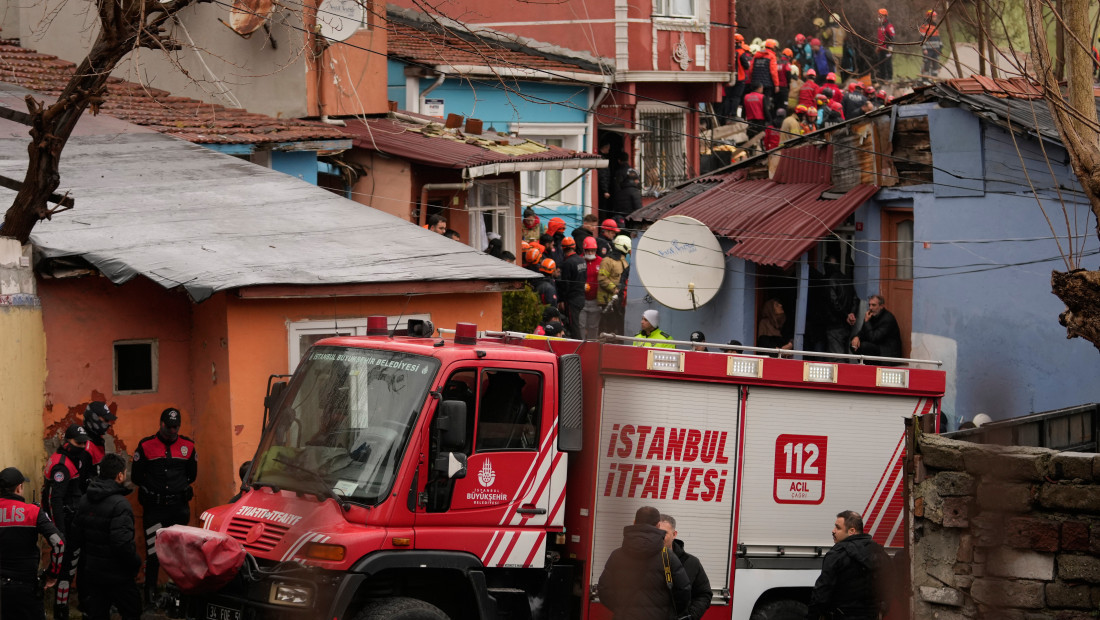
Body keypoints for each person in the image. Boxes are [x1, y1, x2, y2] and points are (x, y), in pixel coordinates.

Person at [132, 407, 197, 605]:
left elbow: (192, 475)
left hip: (178, 509)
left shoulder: (188, 446)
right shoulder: (145, 446)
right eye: (168, 427)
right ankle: (150, 596)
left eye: (175, 427)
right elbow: (136, 476)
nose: (172, 431)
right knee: (153, 553)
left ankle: (179, 595)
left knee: (179, 553)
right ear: (160, 424)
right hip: (155, 509)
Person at [70, 454, 143, 620]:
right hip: (118, 575)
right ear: (120, 475)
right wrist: (135, 562)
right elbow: (122, 543)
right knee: (133, 611)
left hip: (93, 573)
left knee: (97, 614)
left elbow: (75, 537)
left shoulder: (84, 500)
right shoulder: (120, 504)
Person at [597, 506, 691, 620]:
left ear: (634, 522)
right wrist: (667, 613)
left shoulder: (617, 555)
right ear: (658, 525)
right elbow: (684, 591)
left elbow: (603, 589)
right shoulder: (667, 556)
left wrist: (621, 609)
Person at [0, 467, 65, 620]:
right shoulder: (33, 512)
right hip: (25, 587)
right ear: (19, 488)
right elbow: (59, 543)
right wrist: (52, 574)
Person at [42, 423, 90, 620]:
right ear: (67, 441)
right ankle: (61, 610)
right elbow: (55, 499)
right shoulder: (62, 464)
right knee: (65, 570)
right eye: (78, 442)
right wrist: (60, 532)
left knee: (69, 568)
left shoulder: (70, 459)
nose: (82, 446)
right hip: (66, 524)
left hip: (71, 521)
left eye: (83, 442)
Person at [808, 511, 890, 620]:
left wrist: (812, 616)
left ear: (852, 531)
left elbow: (822, 593)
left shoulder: (836, 555)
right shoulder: (880, 553)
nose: (833, 531)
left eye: (838, 528)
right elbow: (891, 586)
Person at [657, 514, 711, 620]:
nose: (660, 537)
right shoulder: (642, 560)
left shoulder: (691, 562)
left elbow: (704, 594)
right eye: (657, 533)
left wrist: (689, 616)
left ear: (674, 534)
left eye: (664, 533)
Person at [821, 256, 859, 357]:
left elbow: (834, 302)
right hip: (847, 325)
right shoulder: (847, 279)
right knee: (844, 354)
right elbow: (856, 299)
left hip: (835, 324)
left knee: (837, 357)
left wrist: (846, 315)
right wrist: (851, 314)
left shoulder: (831, 280)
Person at [851, 294, 903, 361]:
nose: (870, 308)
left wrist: (867, 322)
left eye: (873, 305)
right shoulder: (871, 316)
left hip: (887, 352)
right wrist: (856, 337)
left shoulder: (888, 319)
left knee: (864, 346)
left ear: (881, 306)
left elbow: (874, 338)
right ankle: (864, 363)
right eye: (869, 305)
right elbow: (863, 332)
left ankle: (868, 363)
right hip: (877, 348)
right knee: (853, 344)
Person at [597, 235, 630, 336]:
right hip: (607, 301)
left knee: (617, 328)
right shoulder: (607, 261)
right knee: (608, 329)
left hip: (618, 301)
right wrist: (614, 289)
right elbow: (602, 278)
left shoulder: (623, 260)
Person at [558, 236, 587, 339]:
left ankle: (577, 346)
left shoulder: (567, 263)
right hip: (581, 297)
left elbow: (565, 284)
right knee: (579, 324)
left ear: (563, 248)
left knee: (573, 325)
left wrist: (561, 300)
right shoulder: (582, 260)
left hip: (572, 299)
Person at [81, 401, 116, 477]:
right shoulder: (84, 445)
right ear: (94, 418)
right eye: (106, 420)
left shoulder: (97, 438)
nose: (109, 423)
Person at [580, 237, 603, 339]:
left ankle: (592, 346)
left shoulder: (601, 262)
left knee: (593, 327)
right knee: (581, 325)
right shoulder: (579, 260)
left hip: (595, 300)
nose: (590, 253)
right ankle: (580, 345)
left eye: (592, 250)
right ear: (584, 250)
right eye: (588, 250)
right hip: (582, 300)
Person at [750, 39, 780, 116]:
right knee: (765, 103)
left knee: (755, 102)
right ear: (773, 47)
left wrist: (751, 80)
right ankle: (764, 119)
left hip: (755, 83)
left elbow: (751, 69)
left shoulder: (756, 55)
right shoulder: (772, 56)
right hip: (767, 84)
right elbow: (773, 72)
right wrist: (776, 85)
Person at [919, 10, 942, 76]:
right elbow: (922, 39)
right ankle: (925, 78)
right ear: (929, 17)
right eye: (934, 17)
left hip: (936, 49)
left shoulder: (935, 26)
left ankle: (934, 79)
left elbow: (938, 37)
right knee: (927, 64)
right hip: (928, 50)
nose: (935, 18)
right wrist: (924, 49)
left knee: (936, 64)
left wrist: (940, 47)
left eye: (935, 17)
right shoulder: (924, 26)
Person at [875, 8, 895, 81]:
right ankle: (882, 80)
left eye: (881, 16)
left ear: (885, 16)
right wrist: (878, 46)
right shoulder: (880, 25)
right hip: (881, 49)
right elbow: (880, 37)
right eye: (879, 16)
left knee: (888, 64)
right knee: (881, 65)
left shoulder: (889, 26)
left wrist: (891, 47)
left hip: (887, 49)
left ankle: (889, 79)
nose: (879, 18)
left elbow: (892, 37)